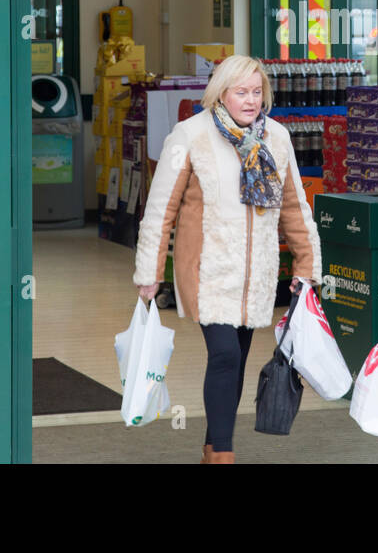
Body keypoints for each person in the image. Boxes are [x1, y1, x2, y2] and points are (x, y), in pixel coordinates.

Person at [133, 54, 321, 464]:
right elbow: (161, 208)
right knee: (224, 355)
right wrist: (149, 272)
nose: (251, 100)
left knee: (234, 362)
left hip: (256, 273)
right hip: (206, 270)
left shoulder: (276, 137)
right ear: (221, 92)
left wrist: (307, 268)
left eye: (257, 92)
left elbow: (294, 207)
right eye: (242, 92)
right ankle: (223, 455)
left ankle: (211, 445)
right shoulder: (190, 135)